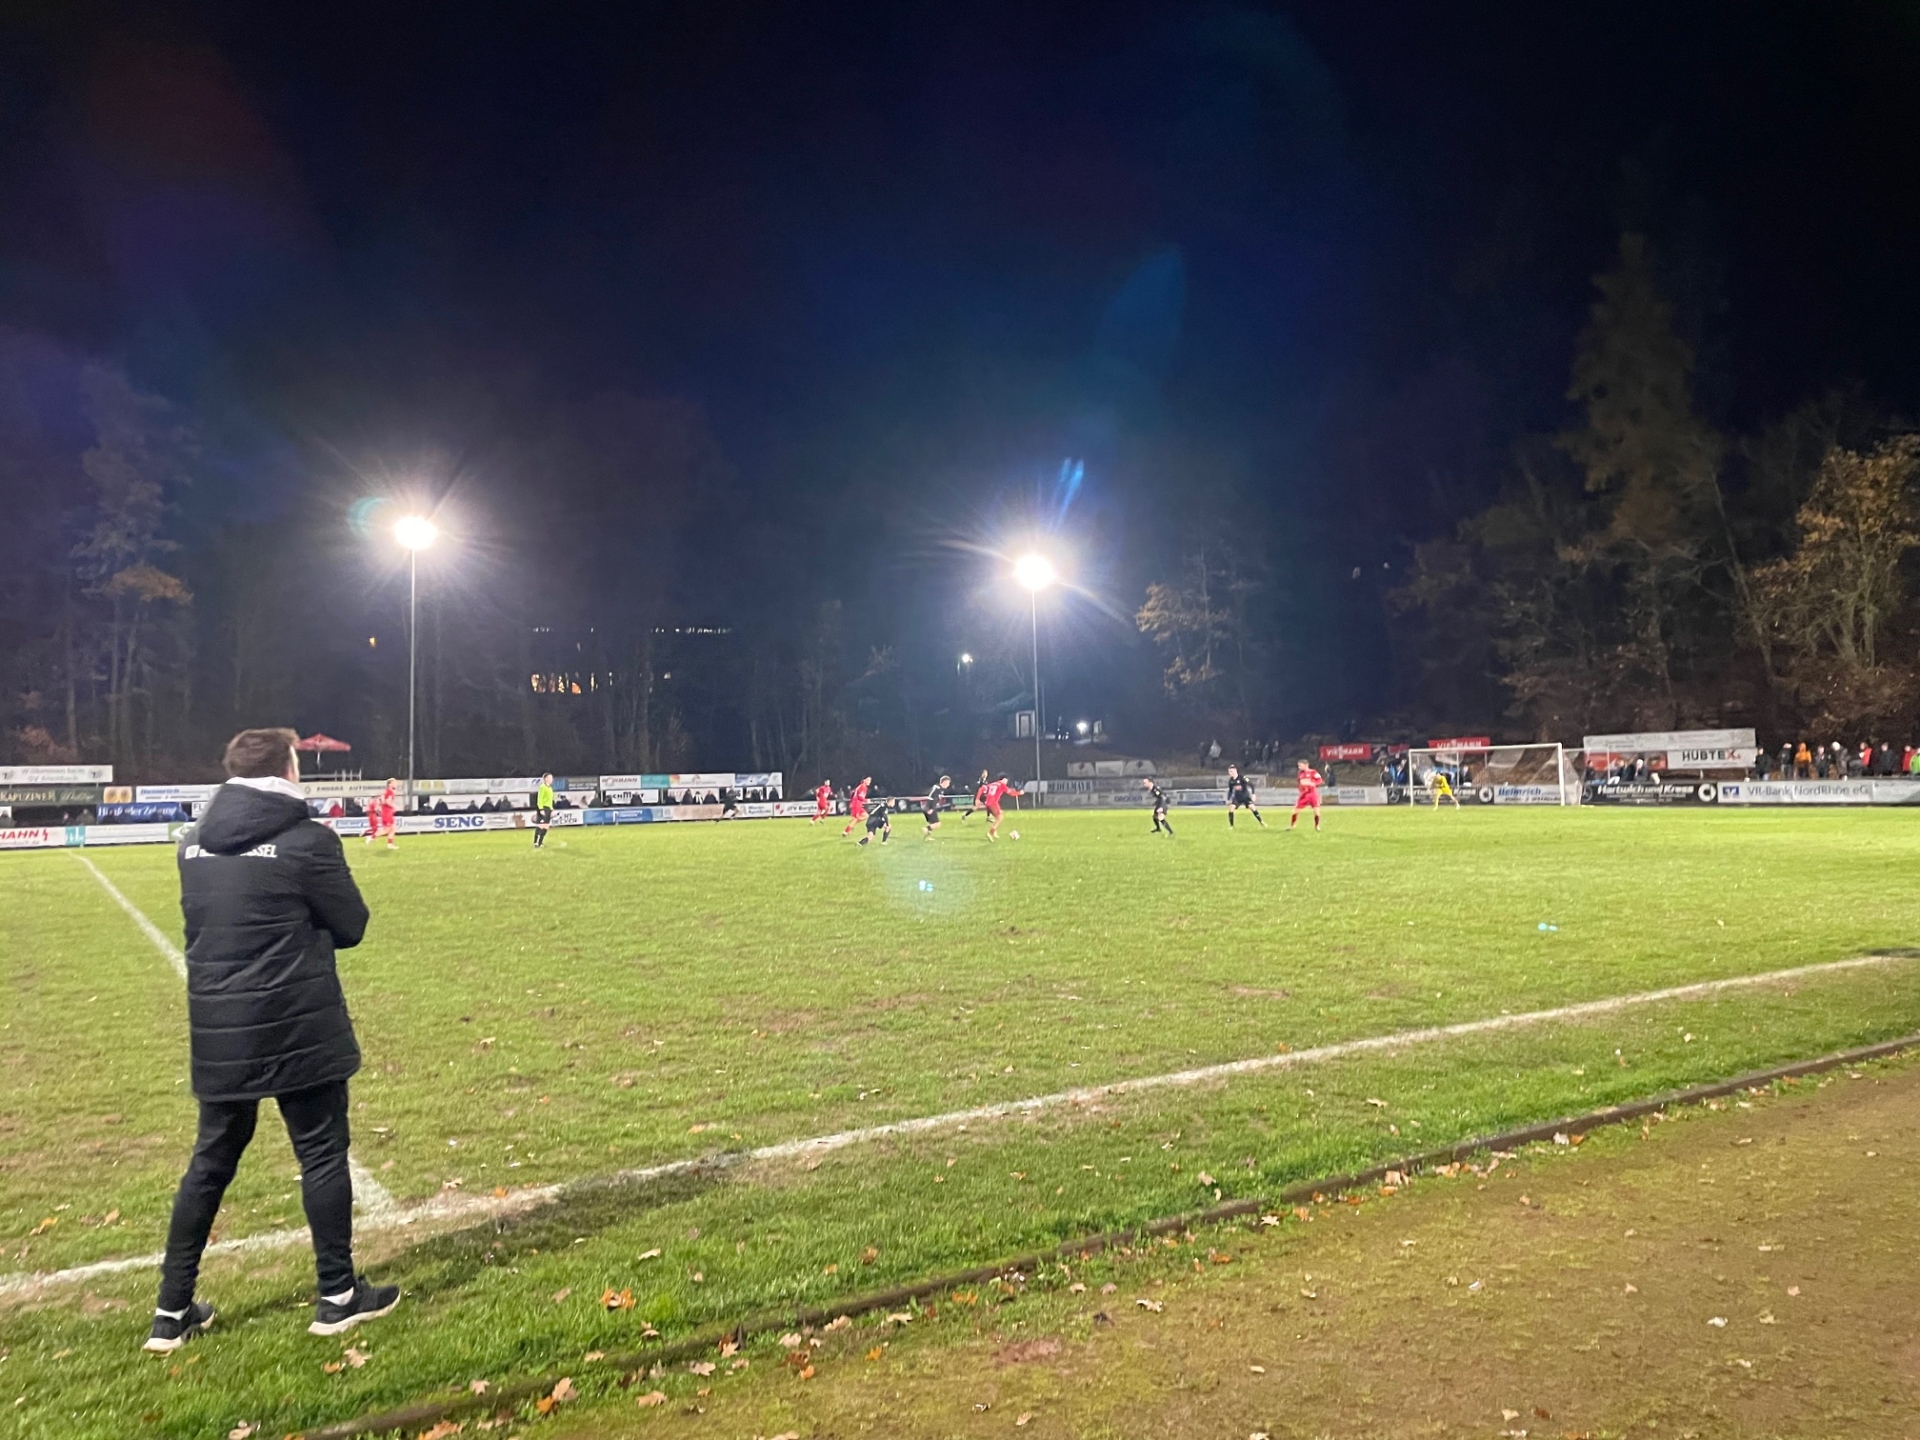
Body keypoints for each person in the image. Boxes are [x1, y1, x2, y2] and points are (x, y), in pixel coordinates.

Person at [146, 727, 397, 1355]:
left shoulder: (191, 844)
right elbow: (352, 925)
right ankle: (337, 1295)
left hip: (222, 1029)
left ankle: (170, 1311)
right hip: (296, 1022)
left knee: (210, 1162)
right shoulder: (308, 841)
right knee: (321, 1152)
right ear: (287, 770)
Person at [1290, 759, 1325, 831]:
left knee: (1316, 811)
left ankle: (1317, 826)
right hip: (1304, 794)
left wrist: (1314, 783)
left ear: (1306, 765)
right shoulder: (1300, 773)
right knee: (1295, 811)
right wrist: (1300, 789)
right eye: (1298, 766)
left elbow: (1320, 780)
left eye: (1300, 765)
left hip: (1312, 794)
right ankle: (1292, 826)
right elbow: (1300, 782)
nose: (1299, 767)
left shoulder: (1313, 772)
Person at [976, 774, 1012, 840]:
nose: (1006, 782)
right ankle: (990, 833)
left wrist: (977, 799)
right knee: (1000, 817)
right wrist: (1020, 792)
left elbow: (981, 789)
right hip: (993, 803)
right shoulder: (1002, 785)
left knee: (998, 817)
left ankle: (994, 831)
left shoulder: (992, 784)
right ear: (1003, 779)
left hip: (988, 803)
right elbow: (1011, 793)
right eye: (1006, 781)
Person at [532, 773, 555, 848]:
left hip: (548, 808)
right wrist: (541, 809)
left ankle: (540, 842)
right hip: (543, 808)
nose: (551, 779)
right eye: (550, 778)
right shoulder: (542, 787)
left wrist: (552, 809)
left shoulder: (550, 788)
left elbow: (550, 800)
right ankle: (535, 842)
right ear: (546, 779)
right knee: (541, 825)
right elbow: (540, 798)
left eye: (552, 778)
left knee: (546, 826)